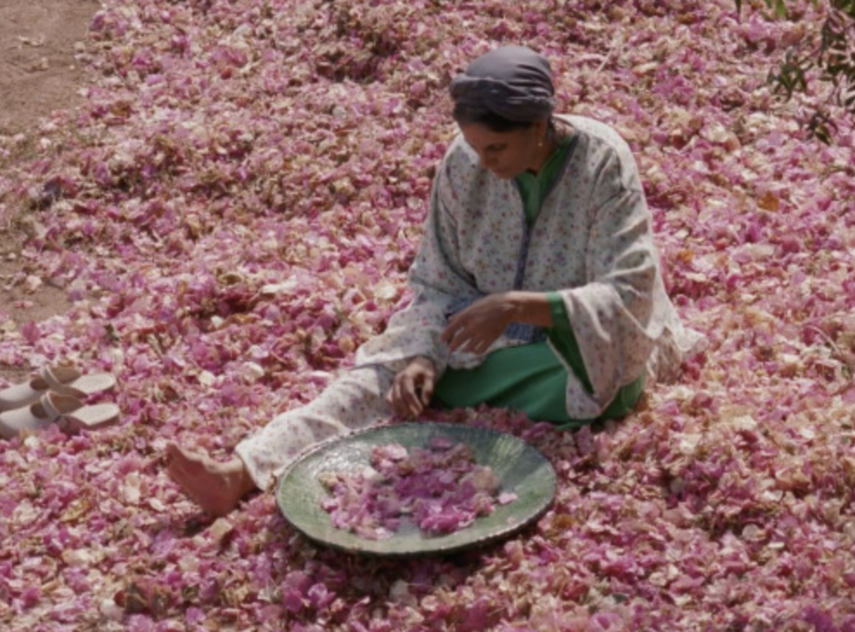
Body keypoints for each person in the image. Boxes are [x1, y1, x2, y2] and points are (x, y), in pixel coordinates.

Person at [166, 45, 704, 517]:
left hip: (573, 352)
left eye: (497, 149)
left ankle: (466, 390)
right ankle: (240, 472)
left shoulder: (602, 162)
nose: (483, 163)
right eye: (474, 148)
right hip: (476, 341)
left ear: (538, 127)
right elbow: (436, 282)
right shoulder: (464, 164)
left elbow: (629, 293)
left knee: (599, 387)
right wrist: (425, 353)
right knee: (387, 375)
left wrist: (520, 307)